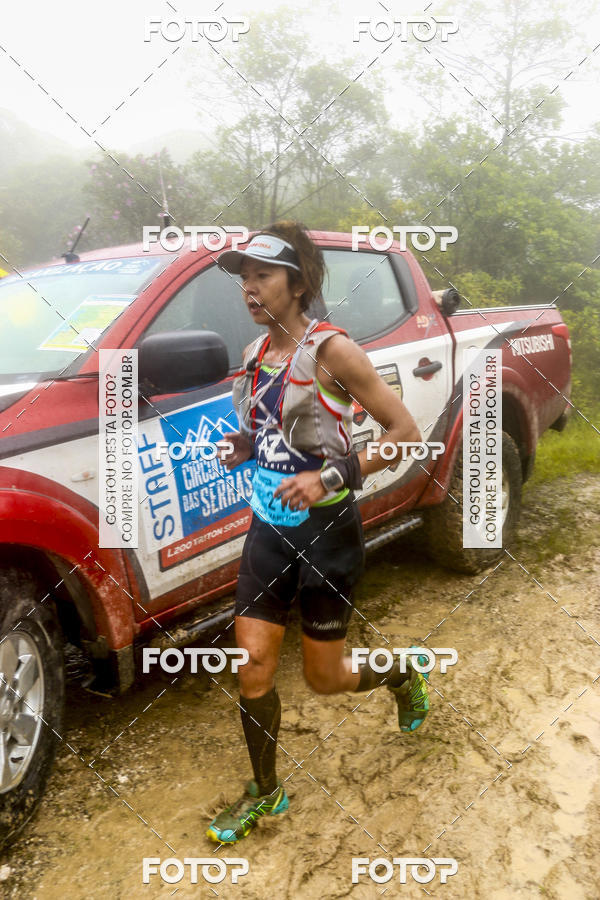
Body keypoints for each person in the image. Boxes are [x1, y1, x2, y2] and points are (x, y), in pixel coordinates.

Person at [207, 221, 429, 844]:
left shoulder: (333, 351)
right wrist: (246, 447)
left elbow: (405, 434)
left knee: (324, 678)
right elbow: (274, 433)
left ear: (298, 284)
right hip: (268, 531)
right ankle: (266, 793)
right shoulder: (254, 358)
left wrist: (329, 478)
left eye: (262, 276)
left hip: (327, 533)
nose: (249, 289)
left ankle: (403, 672)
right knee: (252, 665)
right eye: (243, 278)